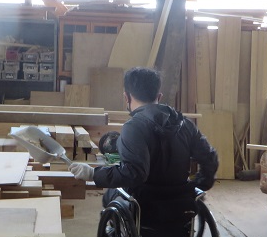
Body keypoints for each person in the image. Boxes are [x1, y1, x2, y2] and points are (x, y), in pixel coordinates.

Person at [68, 67, 218, 203]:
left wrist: (93, 174)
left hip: (145, 205)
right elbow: (210, 157)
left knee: (110, 196)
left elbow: (134, 174)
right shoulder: (184, 124)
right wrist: (198, 186)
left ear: (126, 97)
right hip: (181, 203)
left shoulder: (133, 128)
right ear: (159, 96)